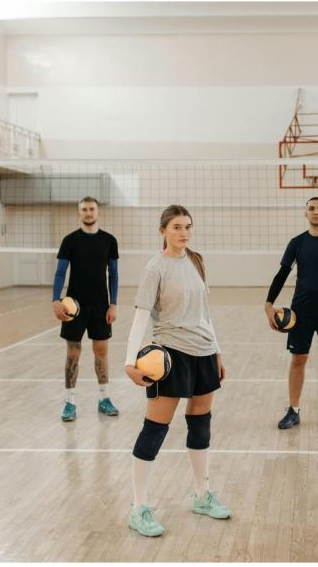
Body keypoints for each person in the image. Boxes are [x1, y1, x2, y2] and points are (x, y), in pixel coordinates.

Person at [123, 205, 231, 538]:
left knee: (200, 425)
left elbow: (205, 312)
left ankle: (202, 496)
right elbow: (142, 315)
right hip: (170, 354)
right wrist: (130, 361)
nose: (183, 232)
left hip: (204, 352)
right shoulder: (155, 268)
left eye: (187, 226)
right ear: (163, 231)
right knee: (155, 430)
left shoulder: (197, 261)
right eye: (176, 227)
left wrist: (218, 351)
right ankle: (138, 508)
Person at [264, 196, 318, 430]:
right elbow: (282, 274)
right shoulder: (296, 243)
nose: (316, 212)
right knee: (298, 359)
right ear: (305, 213)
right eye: (311, 208)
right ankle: (293, 410)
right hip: (301, 311)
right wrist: (269, 303)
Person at [52, 196, 119, 422]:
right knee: (73, 353)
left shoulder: (109, 240)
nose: (88, 212)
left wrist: (113, 304)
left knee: (101, 351)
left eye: (92, 209)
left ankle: (104, 399)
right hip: (75, 306)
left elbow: (114, 274)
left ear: (97, 212)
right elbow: (60, 272)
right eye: (84, 209)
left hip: (101, 305)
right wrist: (56, 300)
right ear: (79, 213)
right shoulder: (70, 240)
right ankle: (70, 402)